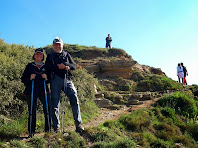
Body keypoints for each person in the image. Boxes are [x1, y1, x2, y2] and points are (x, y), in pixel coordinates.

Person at [45, 37, 84, 133]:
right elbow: (47, 67)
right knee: (55, 103)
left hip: (67, 79)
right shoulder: (50, 56)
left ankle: (78, 124)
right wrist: (57, 67)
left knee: (74, 98)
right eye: (56, 45)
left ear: (62, 45)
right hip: (55, 80)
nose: (58, 46)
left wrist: (66, 66)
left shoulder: (67, 54)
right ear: (53, 46)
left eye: (59, 44)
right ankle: (56, 127)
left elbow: (73, 66)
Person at [21, 48, 51, 137]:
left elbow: (50, 80)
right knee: (32, 111)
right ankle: (31, 132)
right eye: (37, 54)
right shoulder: (29, 66)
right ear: (34, 56)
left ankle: (48, 130)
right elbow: (23, 79)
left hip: (44, 91)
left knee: (48, 110)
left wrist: (46, 78)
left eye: (41, 54)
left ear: (43, 56)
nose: (39, 56)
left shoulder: (46, 67)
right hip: (31, 90)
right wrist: (29, 78)